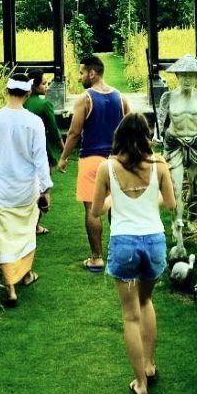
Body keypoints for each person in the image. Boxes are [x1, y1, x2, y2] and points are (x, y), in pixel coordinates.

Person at [90, 113, 176, 394]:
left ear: (120, 137)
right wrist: (150, 196)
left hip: (124, 243)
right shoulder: (159, 163)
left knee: (130, 316)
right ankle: (150, 366)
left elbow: (96, 211)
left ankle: (140, 383)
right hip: (153, 241)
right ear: (146, 136)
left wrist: (116, 198)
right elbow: (170, 203)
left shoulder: (107, 167)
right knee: (146, 300)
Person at [0, 73, 53, 308]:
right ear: (28, 93)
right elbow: (40, 159)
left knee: (5, 235)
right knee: (26, 231)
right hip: (26, 188)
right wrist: (45, 188)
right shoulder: (33, 122)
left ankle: (10, 288)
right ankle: (26, 274)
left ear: (6, 91)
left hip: (3, 189)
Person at [57, 55, 130, 271]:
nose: (79, 77)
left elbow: (74, 132)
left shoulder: (85, 99)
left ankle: (97, 258)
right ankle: (120, 255)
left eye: (81, 73)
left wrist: (63, 158)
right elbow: (131, 126)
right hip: (117, 161)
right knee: (117, 207)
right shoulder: (120, 98)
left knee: (92, 208)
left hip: (91, 161)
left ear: (92, 73)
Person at [157, 55, 197, 251]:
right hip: (175, 144)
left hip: (196, 143)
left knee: (195, 186)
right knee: (176, 187)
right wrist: (157, 136)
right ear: (178, 76)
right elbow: (160, 120)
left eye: (192, 75)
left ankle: (191, 217)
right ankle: (177, 225)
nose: (188, 79)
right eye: (184, 76)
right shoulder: (169, 97)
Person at [24, 69, 64, 235]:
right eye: (44, 83)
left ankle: (26, 224)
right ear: (34, 86)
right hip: (43, 149)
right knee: (42, 188)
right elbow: (54, 131)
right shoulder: (44, 105)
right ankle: (35, 224)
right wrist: (64, 149)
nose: (47, 86)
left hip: (24, 150)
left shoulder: (22, 104)